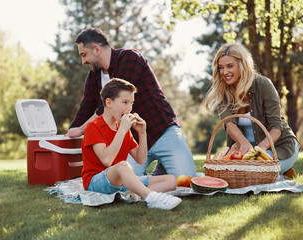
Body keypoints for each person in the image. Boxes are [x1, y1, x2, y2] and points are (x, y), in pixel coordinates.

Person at [66, 27, 196, 178]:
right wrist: (72, 130)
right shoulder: (93, 77)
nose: (83, 61)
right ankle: (162, 172)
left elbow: (117, 99)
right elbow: (86, 106)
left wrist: (82, 129)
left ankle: (165, 164)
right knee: (125, 184)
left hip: (161, 130)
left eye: (84, 54)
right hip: (130, 140)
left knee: (186, 179)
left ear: (96, 49)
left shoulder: (130, 58)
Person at [81, 78, 182, 210]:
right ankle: (152, 198)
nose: (129, 108)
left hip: (121, 181)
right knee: (123, 165)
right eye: (125, 102)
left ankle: (135, 195)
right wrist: (122, 130)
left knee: (171, 180)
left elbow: (141, 159)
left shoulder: (123, 128)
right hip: (96, 182)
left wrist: (142, 133)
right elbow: (107, 160)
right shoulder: (93, 126)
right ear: (109, 102)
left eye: (131, 103)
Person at [205, 43, 300, 180]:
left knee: (253, 175)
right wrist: (244, 144)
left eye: (230, 66)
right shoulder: (223, 92)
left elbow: (276, 128)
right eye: (221, 67)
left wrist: (258, 152)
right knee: (235, 175)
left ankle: (277, 172)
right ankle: (278, 173)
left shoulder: (263, 85)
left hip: (280, 147)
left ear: (242, 64)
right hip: (244, 150)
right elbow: (229, 124)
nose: (225, 72)